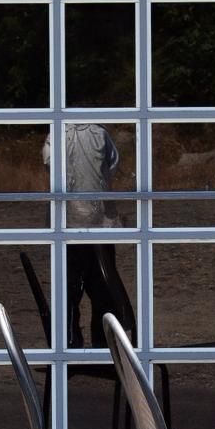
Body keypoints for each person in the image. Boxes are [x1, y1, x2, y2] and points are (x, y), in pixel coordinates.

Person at [43, 124, 136, 348]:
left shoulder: (56, 134)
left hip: (68, 219)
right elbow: (113, 163)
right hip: (99, 219)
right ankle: (103, 343)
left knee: (69, 288)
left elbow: (48, 163)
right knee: (104, 285)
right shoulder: (100, 133)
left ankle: (68, 341)